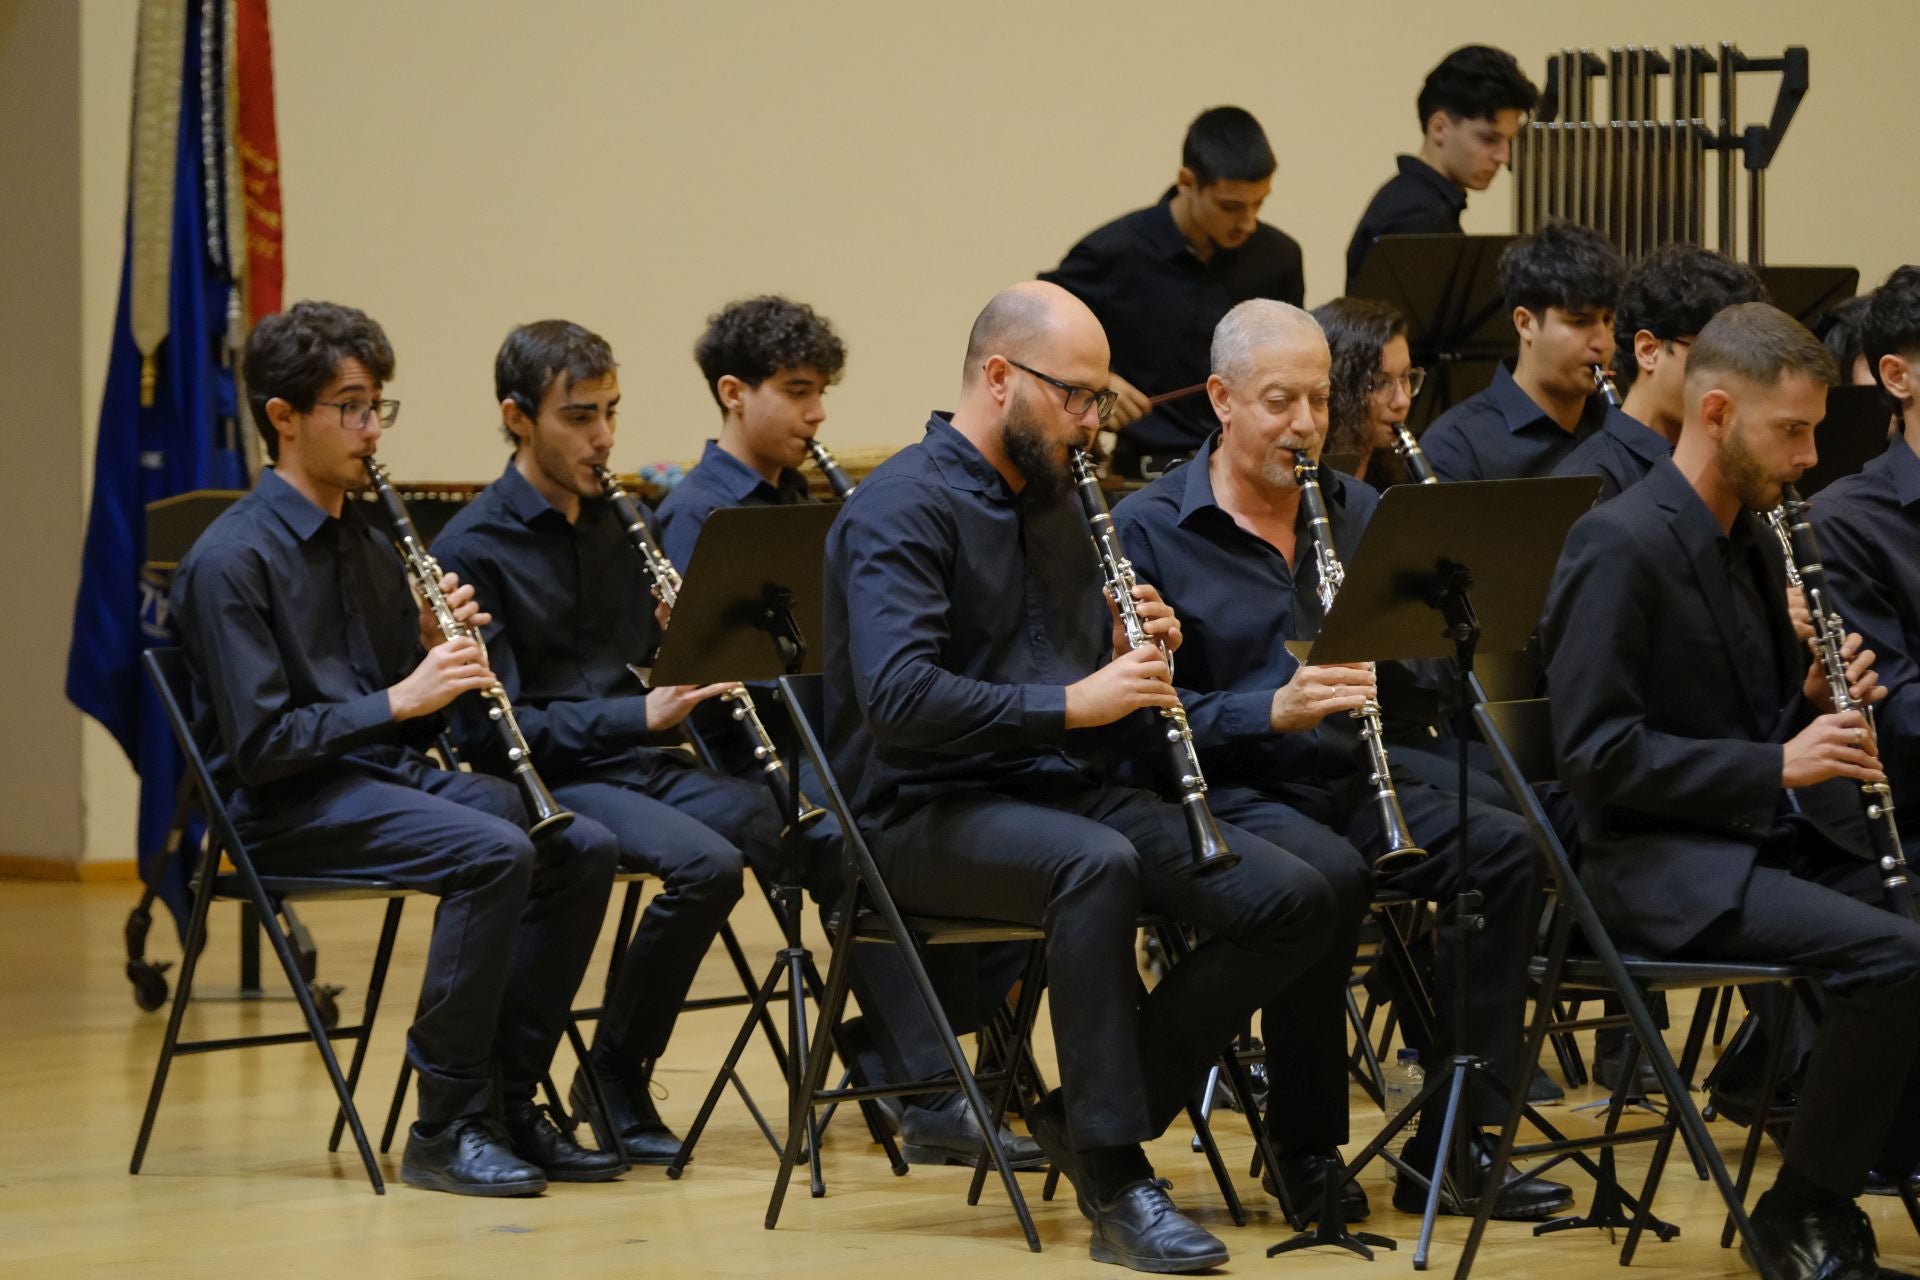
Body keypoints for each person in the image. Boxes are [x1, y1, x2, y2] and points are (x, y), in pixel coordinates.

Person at [825, 280, 1336, 1271]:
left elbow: (1071, 670)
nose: (1096, 422)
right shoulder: (899, 508)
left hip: (1053, 790)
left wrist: (1134, 648)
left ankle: (1091, 1102)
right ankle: (1116, 1180)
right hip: (918, 810)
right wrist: (1076, 701)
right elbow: (896, 700)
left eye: (1102, 400)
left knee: (1292, 894)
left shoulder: (1060, 497)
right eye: (1079, 397)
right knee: (1093, 864)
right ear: (1000, 376)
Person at [1112, 298, 1570, 1222]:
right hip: (1232, 787)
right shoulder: (1151, 529)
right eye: (1281, 402)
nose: (1307, 425)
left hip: (1354, 773)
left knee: (1511, 848)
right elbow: (1141, 720)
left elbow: (1409, 675)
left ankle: (1455, 1139)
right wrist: (1266, 710)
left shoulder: (1358, 511)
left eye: (1319, 401)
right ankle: (1305, 1144)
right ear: (1222, 399)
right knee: (1331, 878)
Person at [170, 301, 623, 1195]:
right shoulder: (232, 563)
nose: (371, 429)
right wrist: (402, 692)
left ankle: (509, 1096)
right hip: (277, 809)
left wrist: (430, 662)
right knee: (495, 850)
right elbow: (263, 747)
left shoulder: (367, 543)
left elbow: (403, 723)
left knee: (578, 845)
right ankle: (446, 1124)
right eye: (352, 406)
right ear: (283, 417)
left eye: (379, 406)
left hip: (368, 781)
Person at [1542, 301, 1920, 1280]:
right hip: (1654, 866)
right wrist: (1780, 764)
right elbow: (1595, 756)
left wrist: (1803, 706)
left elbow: (1741, 727)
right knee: (1893, 957)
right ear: (1716, 411)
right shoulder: (1618, 543)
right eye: (1790, 431)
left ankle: (1865, 1151)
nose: (1806, 458)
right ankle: (1802, 1206)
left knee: (1911, 905)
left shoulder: (1752, 540)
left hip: (1743, 839)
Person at [656, 296, 1041, 1168]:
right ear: (732, 393)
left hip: (844, 739)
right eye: (796, 391)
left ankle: (889, 1054)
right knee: (860, 846)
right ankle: (933, 1093)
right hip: (760, 759)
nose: (817, 413)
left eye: (822, 391)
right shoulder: (696, 515)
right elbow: (719, 684)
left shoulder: (817, 496)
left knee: (1009, 818)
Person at [431, 320, 788, 1167]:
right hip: (553, 780)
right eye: (579, 417)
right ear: (518, 418)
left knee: (806, 824)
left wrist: (686, 637)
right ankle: (615, 1073)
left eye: (612, 413)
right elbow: (495, 729)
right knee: (707, 867)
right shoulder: (473, 546)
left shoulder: (619, 525)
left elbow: (650, 673)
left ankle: (906, 1067)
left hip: (639, 764)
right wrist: (643, 714)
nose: (603, 438)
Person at [1040, 106, 1305, 479]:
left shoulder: (1279, 257)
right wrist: (1096, 384)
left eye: (1258, 204)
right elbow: (1036, 330)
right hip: (1145, 478)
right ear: (1186, 181)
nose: (1247, 223)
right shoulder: (1117, 252)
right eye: (1230, 207)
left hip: (1247, 471)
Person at [1552, 243, 1767, 501]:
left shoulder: (1726, 468)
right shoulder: (1587, 482)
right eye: (1714, 357)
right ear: (1648, 351)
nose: (1733, 382)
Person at [1418, 220, 1627, 482]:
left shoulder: (1620, 425)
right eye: (1579, 321)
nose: (1603, 343)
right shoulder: (1456, 446)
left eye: (1608, 321)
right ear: (1525, 323)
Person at [1345, 45, 1538, 291]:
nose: (1504, 156)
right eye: (1489, 139)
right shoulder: (1419, 217)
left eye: (1510, 141)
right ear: (1439, 128)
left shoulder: (1415, 200)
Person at [1312, 296, 1423, 490]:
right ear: (1338, 389)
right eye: (1380, 383)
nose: (1402, 400)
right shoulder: (1309, 478)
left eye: (1405, 376)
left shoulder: (1395, 472)